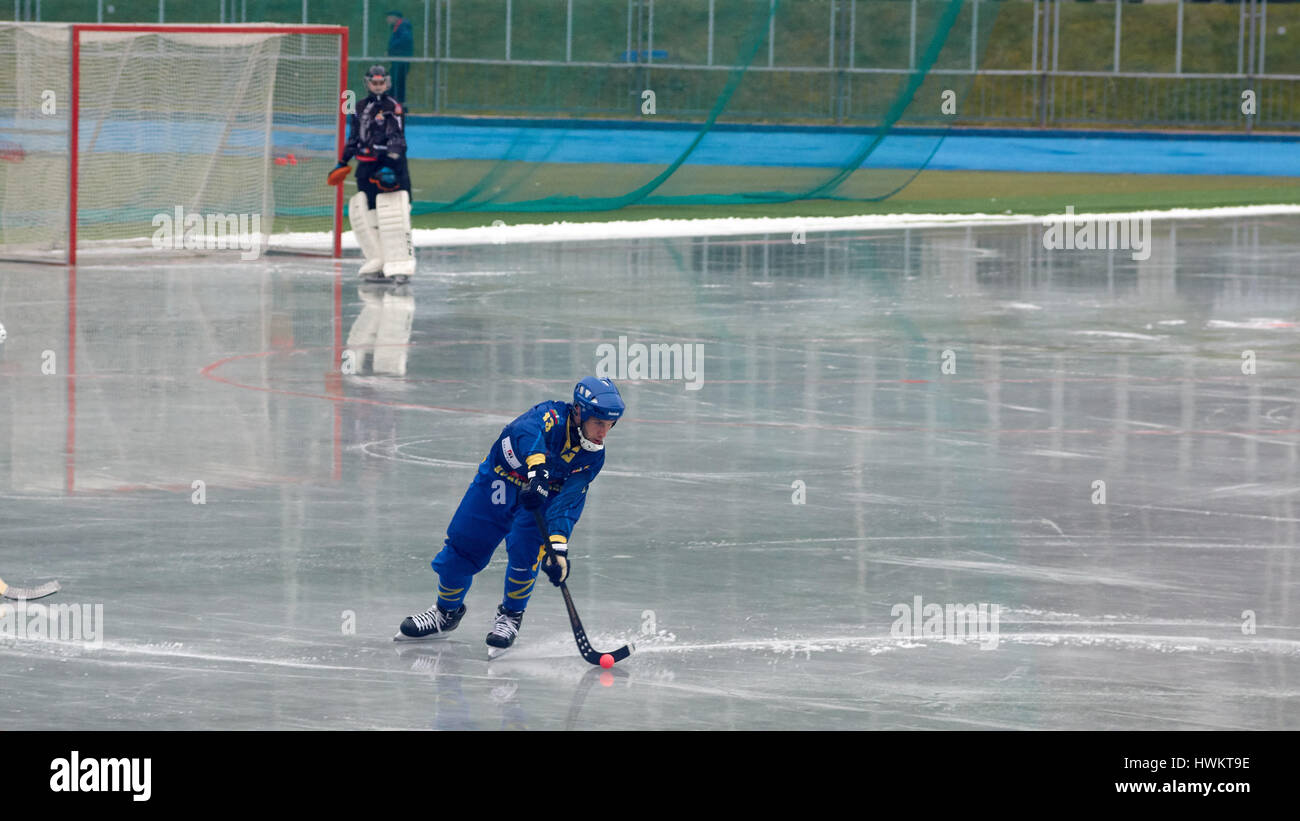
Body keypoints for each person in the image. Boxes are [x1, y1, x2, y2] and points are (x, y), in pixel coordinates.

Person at [395, 377, 626, 654]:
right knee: (463, 546)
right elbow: (524, 431)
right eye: (598, 422)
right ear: (579, 412)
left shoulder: (593, 457)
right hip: (499, 480)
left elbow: (567, 503)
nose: (603, 432)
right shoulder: (550, 415)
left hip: (541, 498)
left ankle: (511, 616)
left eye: (609, 424)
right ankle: (445, 613)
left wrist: (558, 549)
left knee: (526, 554)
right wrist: (537, 471)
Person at [329, 65, 414, 282]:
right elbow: (354, 138)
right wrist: (342, 162)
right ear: (367, 83)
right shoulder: (358, 106)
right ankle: (379, 261)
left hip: (390, 168)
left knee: (394, 216)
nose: (378, 86)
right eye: (374, 83)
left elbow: (398, 138)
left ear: (387, 83)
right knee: (370, 215)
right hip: (366, 168)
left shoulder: (393, 107)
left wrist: (391, 164)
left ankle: (400, 266)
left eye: (381, 82)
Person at [386, 10, 413, 107]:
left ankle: (398, 104)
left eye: (389, 17)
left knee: (397, 81)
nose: (387, 20)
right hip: (398, 59)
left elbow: (406, 38)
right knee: (395, 81)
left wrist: (392, 48)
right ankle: (395, 103)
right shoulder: (398, 26)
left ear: (395, 17)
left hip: (401, 60)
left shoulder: (403, 26)